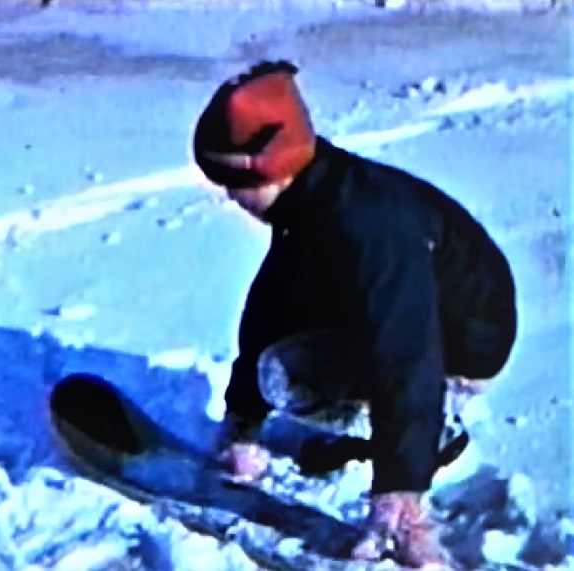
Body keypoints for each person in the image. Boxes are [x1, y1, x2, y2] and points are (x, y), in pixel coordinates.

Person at [191, 60, 518, 568]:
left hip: (465, 338)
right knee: (280, 354)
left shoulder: (366, 226)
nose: (230, 196)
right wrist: (243, 422)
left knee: (293, 374)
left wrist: (400, 496)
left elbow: (405, 352)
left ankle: (438, 427)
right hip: (416, 313)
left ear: (271, 167)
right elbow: (273, 306)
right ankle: (397, 429)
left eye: (234, 181)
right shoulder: (313, 197)